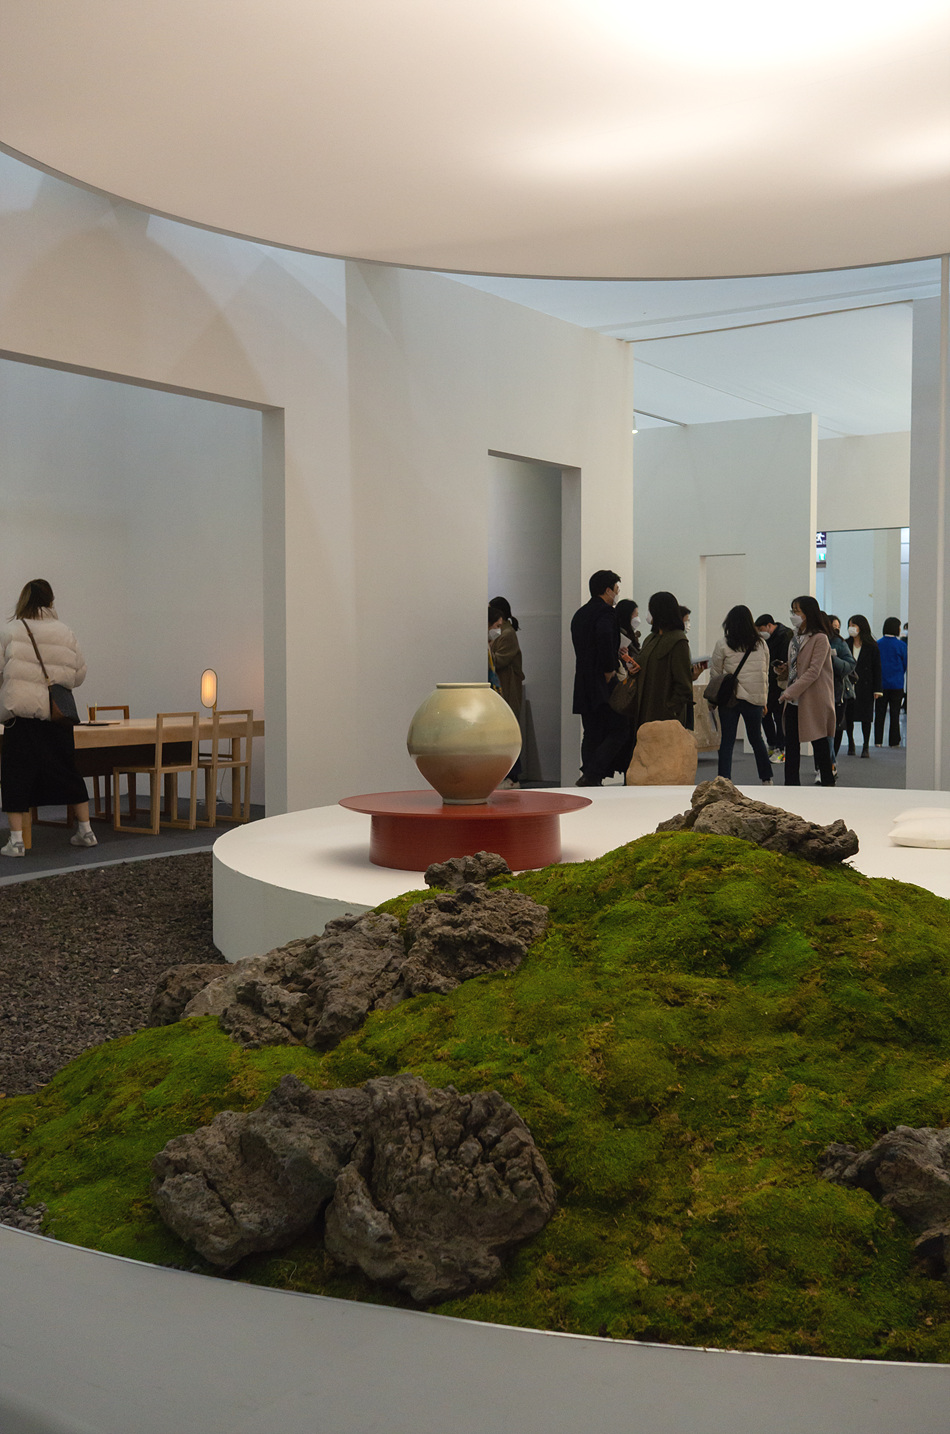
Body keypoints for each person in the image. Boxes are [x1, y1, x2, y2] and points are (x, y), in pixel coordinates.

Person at [0, 578, 96, 857]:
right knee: (68, 770)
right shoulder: (66, 632)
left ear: (23, 600)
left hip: (21, 717)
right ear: (51, 601)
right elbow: (78, 675)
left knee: (16, 775)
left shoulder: (11, 631)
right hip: (57, 716)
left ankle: (17, 842)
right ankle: (86, 831)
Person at [570, 570, 627, 786]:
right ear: (607, 590)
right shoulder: (606, 613)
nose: (617, 593)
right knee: (620, 728)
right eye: (616, 589)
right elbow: (604, 636)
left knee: (591, 731)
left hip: (583, 680)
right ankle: (593, 772)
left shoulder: (580, 614)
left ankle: (589, 776)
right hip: (602, 681)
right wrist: (609, 668)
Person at [707, 605, 773, 785]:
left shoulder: (723, 644)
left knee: (727, 741)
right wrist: (764, 700)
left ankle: (723, 780)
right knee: (756, 739)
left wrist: (713, 699)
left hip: (730, 699)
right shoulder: (761, 644)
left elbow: (715, 673)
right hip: (754, 698)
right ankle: (767, 779)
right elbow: (764, 674)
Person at [776, 595, 836, 786]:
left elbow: (813, 671)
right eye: (792, 611)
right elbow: (798, 665)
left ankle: (828, 784)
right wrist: (784, 669)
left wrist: (790, 691)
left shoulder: (820, 638)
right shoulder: (795, 637)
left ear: (808, 613)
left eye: (797, 611)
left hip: (812, 699)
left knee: (819, 742)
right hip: (794, 700)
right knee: (791, 746)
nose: (793, 615)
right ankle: (791, 786)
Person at [633, 591, 692, 730]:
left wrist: (671, 708)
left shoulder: (678, 640)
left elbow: (683, 684)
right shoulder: (650, 638)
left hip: (665, 715)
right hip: (645, 708)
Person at [488, 598, 524, 788]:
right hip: (502, 687)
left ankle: (513, 777)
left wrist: (486, 651)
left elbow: (499, 660)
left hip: (508, 687)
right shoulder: (502, 633)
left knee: (508, 731)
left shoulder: (507, 634)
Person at [821, 614, 856, 782]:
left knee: (833, 731)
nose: (836, 629)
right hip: (818, 692)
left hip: (837, 693)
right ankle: (825, 764)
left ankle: (830, 764)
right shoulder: (810, 640)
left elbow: (850, 664)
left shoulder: (839, 643)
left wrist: (832, 658)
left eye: (837, 626)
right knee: (822, 733)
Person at [843, 613, 882, 758]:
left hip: (866, 686)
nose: (851, 628)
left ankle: (865, 746)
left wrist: (878, 689)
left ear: (861, 627)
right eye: (849, 625)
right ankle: (851, 743)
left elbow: (877, 668)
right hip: (849, 686)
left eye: (853, 625)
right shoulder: (845, 644)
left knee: (866, 717)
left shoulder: (872, 646)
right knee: (849, 716)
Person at [755, 613, 791, 761]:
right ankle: (772, 744)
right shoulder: (764, 640)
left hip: (780, 681)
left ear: (769, 625)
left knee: (779, 716)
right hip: (766, 681)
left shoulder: (786, 635)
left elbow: (786, 659)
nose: (760, 633)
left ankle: (781, 748)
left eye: (761, 629)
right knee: (764, 713)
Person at [875, 617, 907, 748]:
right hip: (896, 684)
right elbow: (905, 664)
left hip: (881, 685)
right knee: (895, 714)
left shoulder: (877, 644)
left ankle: (878, 741)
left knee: (879, 714)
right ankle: (894, 741)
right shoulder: (901, 645)